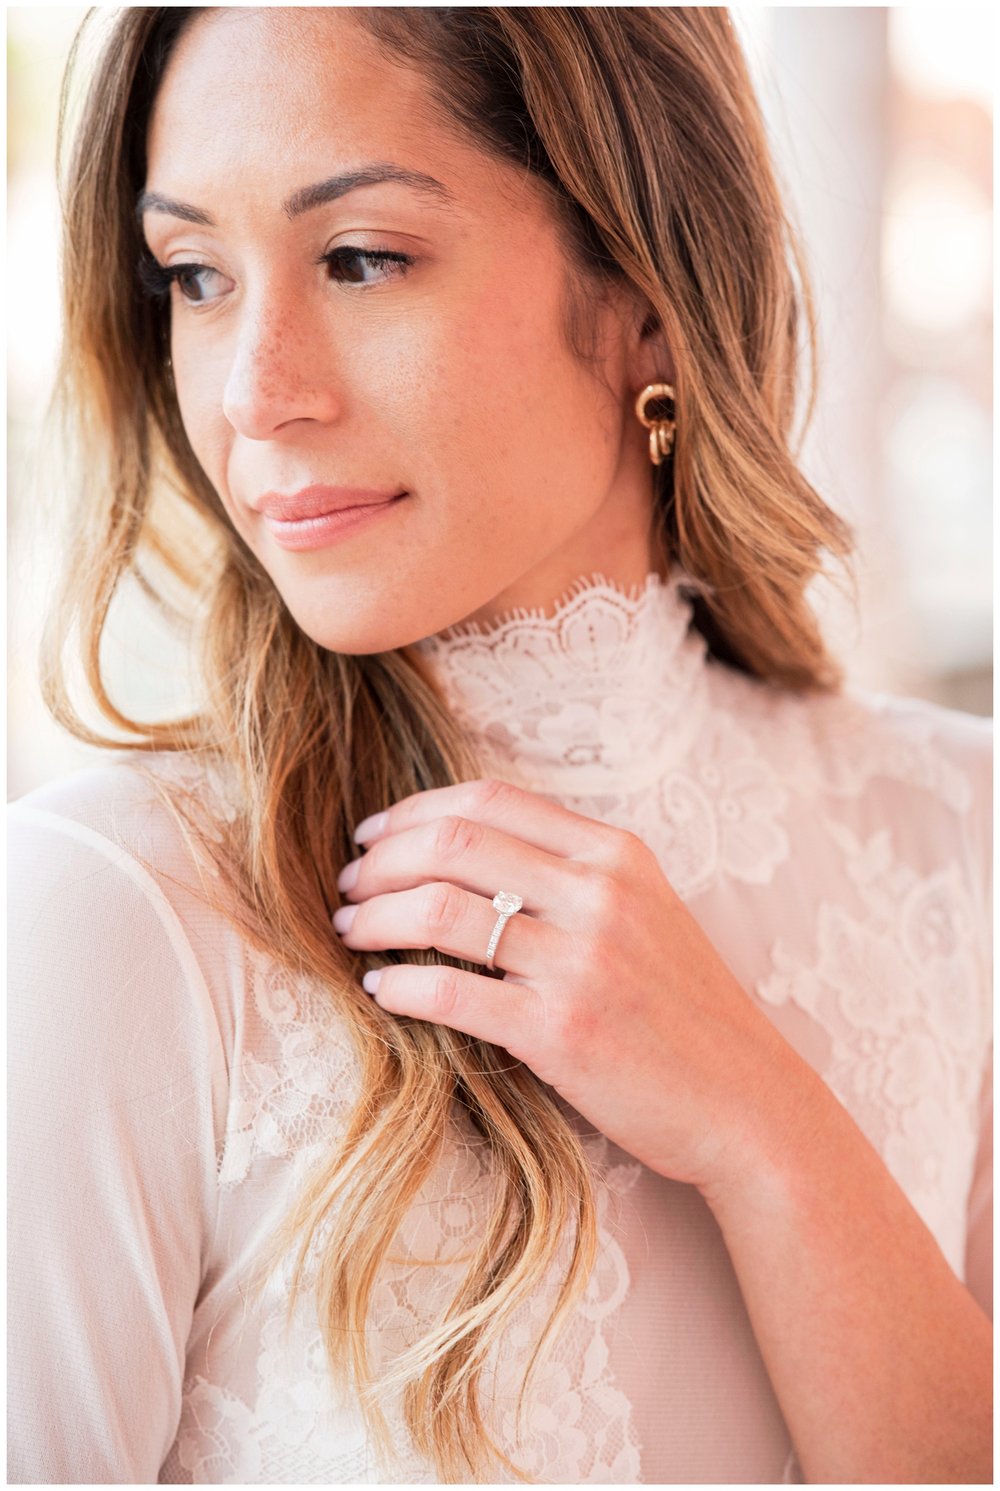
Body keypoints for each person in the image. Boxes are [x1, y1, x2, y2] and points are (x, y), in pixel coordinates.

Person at [8, 7, 991, 1485]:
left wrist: (766, 1129)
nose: (255, 393)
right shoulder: (115, 908)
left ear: (649, 292)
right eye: (196, 277)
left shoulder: (957, 832)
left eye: (360, 259)